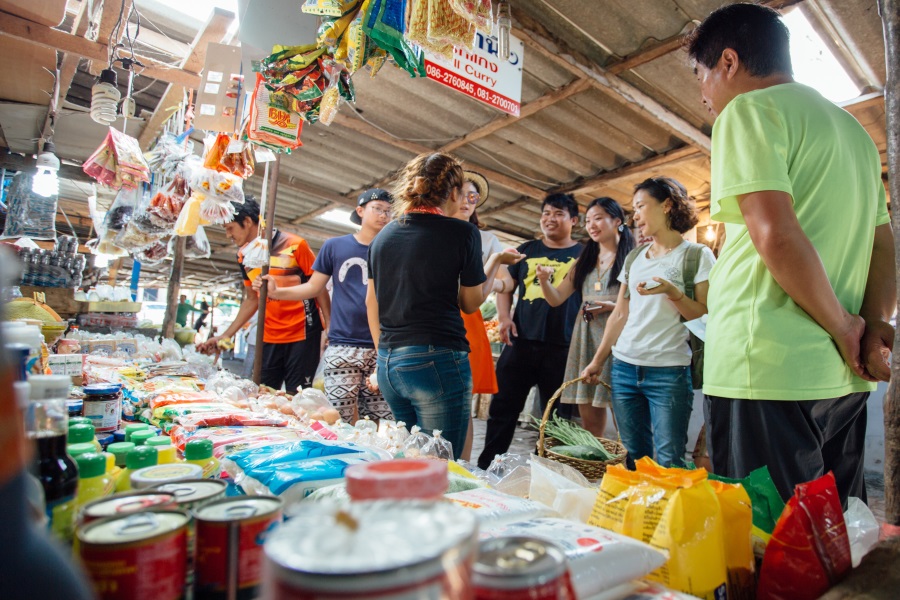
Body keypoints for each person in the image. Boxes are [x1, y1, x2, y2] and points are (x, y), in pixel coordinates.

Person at [687, 3, 894, 504]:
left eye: (702, 75)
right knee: (832, 532)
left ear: (729, 63)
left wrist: (846, 326)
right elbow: (884, 243)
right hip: (842, 375)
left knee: (768, 547)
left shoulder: (750, 110)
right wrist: (869, 328)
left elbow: (774, 234)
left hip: (765, 366)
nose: (704, 93)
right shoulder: (855, 135)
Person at [367, 152, 523, 459]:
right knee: (441, 464)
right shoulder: (462, 232)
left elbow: (370, 302)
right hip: (436, 359)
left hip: (389, 363)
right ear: (452, 192)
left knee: (410, 457)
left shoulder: (383, 236)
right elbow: (470, 302)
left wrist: (382, 354)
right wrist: (494, 261)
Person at [582, 177, 715, 468]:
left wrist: (673, 293)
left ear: (667, 205)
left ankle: (667, 513)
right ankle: (640, 513)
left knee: (669, 459)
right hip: (624, 369)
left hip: (668, 372)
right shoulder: (635, 258)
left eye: (641, 206)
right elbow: (619, 314)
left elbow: (703, 313)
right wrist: (597, 361)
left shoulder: (696, 255)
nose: (636, 216)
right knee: (632, 455)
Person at [253, 188, 394, 424]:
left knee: (382, 420)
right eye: (377, 209)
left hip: (382, 347)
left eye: (389, 211)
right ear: (360, 211)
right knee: (338, 420)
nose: (384, 215)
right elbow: (314, 287)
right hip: (343, 347)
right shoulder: (335, 246)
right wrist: (277, 292)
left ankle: (375, 461)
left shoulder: (393, 250)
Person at [477, 193, 583, 470]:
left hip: (563, 345)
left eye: (558, 214)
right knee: (502, 409)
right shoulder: (527, 249)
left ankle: (549, 470)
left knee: (557, 416)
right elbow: (507, 285)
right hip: (520, 341)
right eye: (546, 213)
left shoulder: (582, 254)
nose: (550, 219)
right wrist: (503, 317)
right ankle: (488, 465)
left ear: (573, 220)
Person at [197, 197, 331, 392]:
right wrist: (225, 336)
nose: (228, 235)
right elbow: (252, 299)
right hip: (268, 335)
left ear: (248, 222)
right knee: (263, 393)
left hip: (302, 334)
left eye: (230, 228)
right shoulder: (243, 256)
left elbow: (319, 288)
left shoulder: (295, 245)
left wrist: (329, 326)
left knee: (299, 396)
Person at [537, 197, 635, 437]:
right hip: (586, 338)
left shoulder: (633, 258)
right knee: (589, 414)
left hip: (619, 338)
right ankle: (596, 465)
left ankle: (630, 467)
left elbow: (642, 304)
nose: (592, 225)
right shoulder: (584, 260)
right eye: (588, 220)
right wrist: (543, 280)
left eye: (599, 218)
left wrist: (611, 306)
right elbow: (556, 298)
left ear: (617, 221)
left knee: (625, 415)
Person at [444, 171, 516, 460]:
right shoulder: (432, 231)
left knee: (462, 405)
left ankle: (462, 468)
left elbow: (508, 283)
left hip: (468, 320)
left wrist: (486, 284)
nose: (466, 201)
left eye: (473, 196)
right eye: (460, 194)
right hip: (432, 317)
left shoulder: (485, 239)